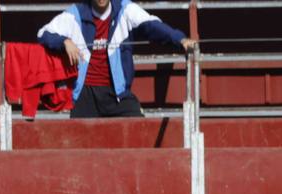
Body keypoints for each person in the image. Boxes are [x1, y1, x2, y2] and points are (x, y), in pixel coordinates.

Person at [36, 0, 194, 119]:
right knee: (80, 150)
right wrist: (64, 41)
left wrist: (180, 40)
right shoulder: (75, 14)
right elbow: (43, 33)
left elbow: (153, 26)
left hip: (117, 94)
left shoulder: (126, 10)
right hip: (85, 95)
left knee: (141, 132)